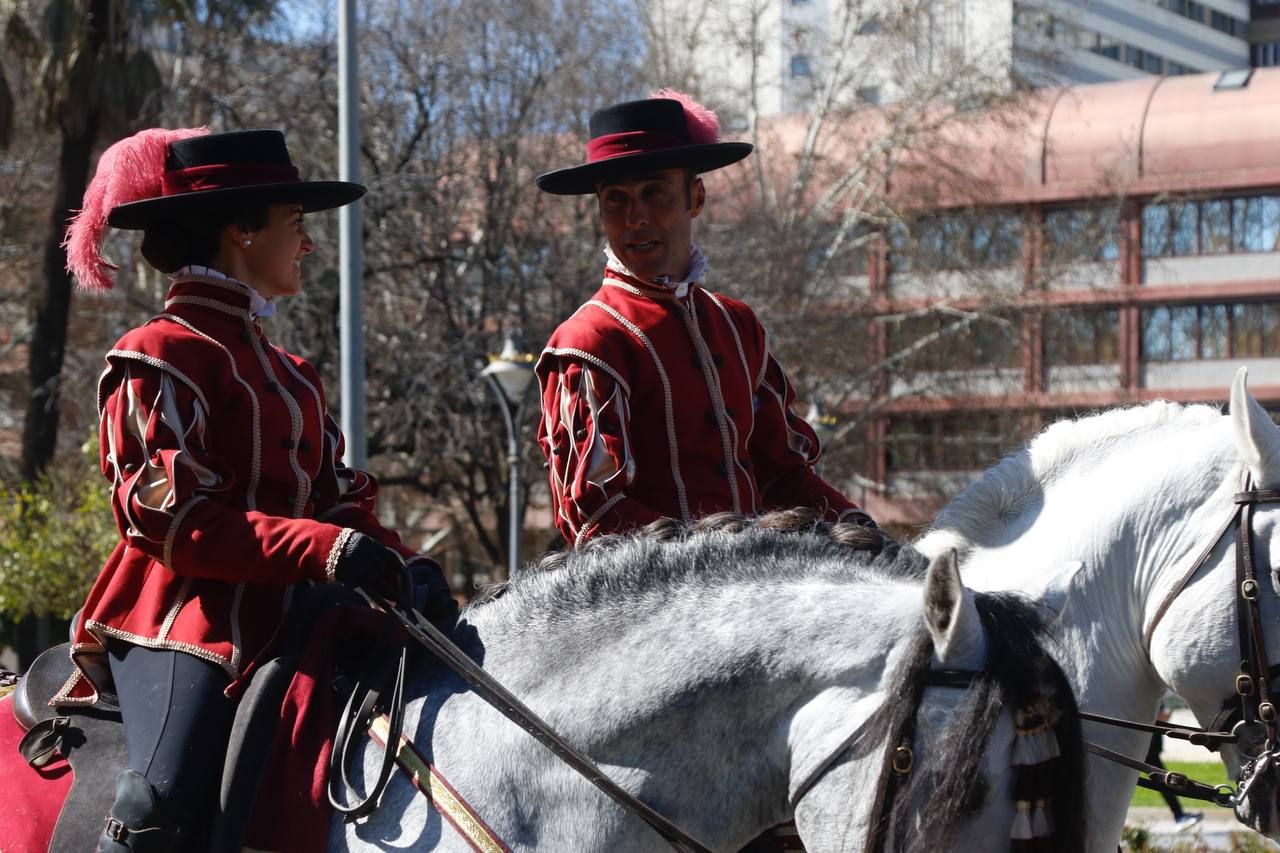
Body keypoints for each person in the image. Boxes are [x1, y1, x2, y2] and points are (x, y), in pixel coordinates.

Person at [55, 128, 457, 851]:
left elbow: (337, 501)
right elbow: (171, 521)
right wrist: (327, 549)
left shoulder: (294, 369)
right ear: (241, 230)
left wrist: (404, 560)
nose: (307, 246)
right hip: (185, 621)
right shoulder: (155, 354)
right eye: (295, 226)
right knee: (160, 797)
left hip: (301, 611)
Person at [532, 90, 875, 547]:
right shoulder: (589, 340)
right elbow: (592, 511)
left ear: (695, 197)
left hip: (757, 582)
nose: (635, 217)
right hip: (653, 603)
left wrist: (864, 532)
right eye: (616, 200)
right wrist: (711, 564)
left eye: (654, 192)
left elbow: (783, 475)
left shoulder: (737, 325)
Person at [1148, 704, 1203, 832]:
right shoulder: (1152, 695)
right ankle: (1179, 816)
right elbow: (1162, 718)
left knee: (1162, 781)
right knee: (1163, 781)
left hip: (1148, 747)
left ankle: (1179, 816)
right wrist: (1175, 705)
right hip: (1146, 748)